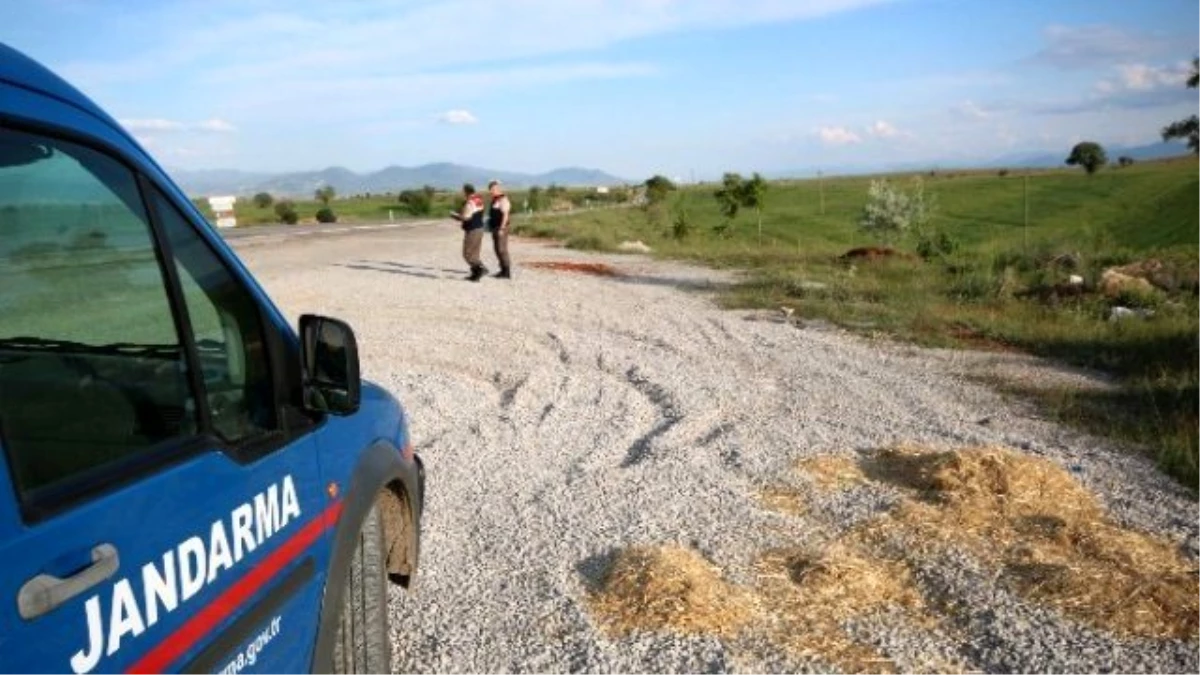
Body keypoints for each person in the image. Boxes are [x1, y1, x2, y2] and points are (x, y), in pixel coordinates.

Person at [450, 183, 487, 281]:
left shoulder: (470, 202)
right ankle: (476, 273)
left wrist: (455, 216)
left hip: (472, 229)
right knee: (475, 253)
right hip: (480, 228)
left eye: (462, 191)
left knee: (467, 253)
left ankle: (479, 271)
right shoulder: (479, 199)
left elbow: (466, 217)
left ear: (466, 192)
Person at [486, 180, 513, 279]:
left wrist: (502, 228)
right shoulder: (495, 199)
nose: (491, 191)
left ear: (497, 189)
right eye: (490, 189)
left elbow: (505, 215)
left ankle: (507, 272)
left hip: (502, 227)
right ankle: (502, 270)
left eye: (493, 189)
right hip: (494, 227)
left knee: (502, 249)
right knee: (497, 249)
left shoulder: (503, 199)